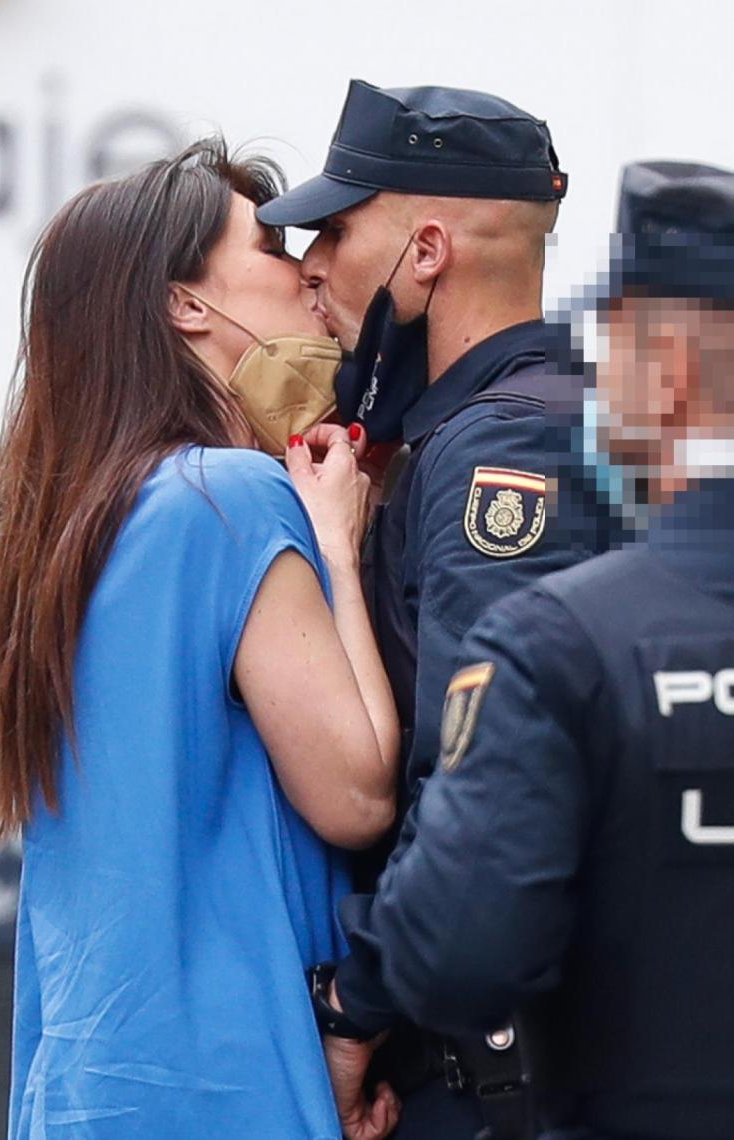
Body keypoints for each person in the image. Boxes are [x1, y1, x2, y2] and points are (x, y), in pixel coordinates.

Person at [0, 139, 402, 1139]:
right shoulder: (229, 497)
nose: (305, 270)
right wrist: (337, 550)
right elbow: (358, 792)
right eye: (271, 244)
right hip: (229, 1087)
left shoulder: (73, 529)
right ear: (186, 304)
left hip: (86, 1087)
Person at [316, 159, 734, 1140]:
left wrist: (353, 1001)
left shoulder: (563, 642)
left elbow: (458, 943)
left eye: (610, 350)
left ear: (666, 372)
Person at [258, 79, 592, 1135]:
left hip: (489, 1086)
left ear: (430, 251)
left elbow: (482, 783)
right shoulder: (484, 433)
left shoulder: (507, 450)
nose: (309, 262)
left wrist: (355, 1011)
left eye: (338, 229)